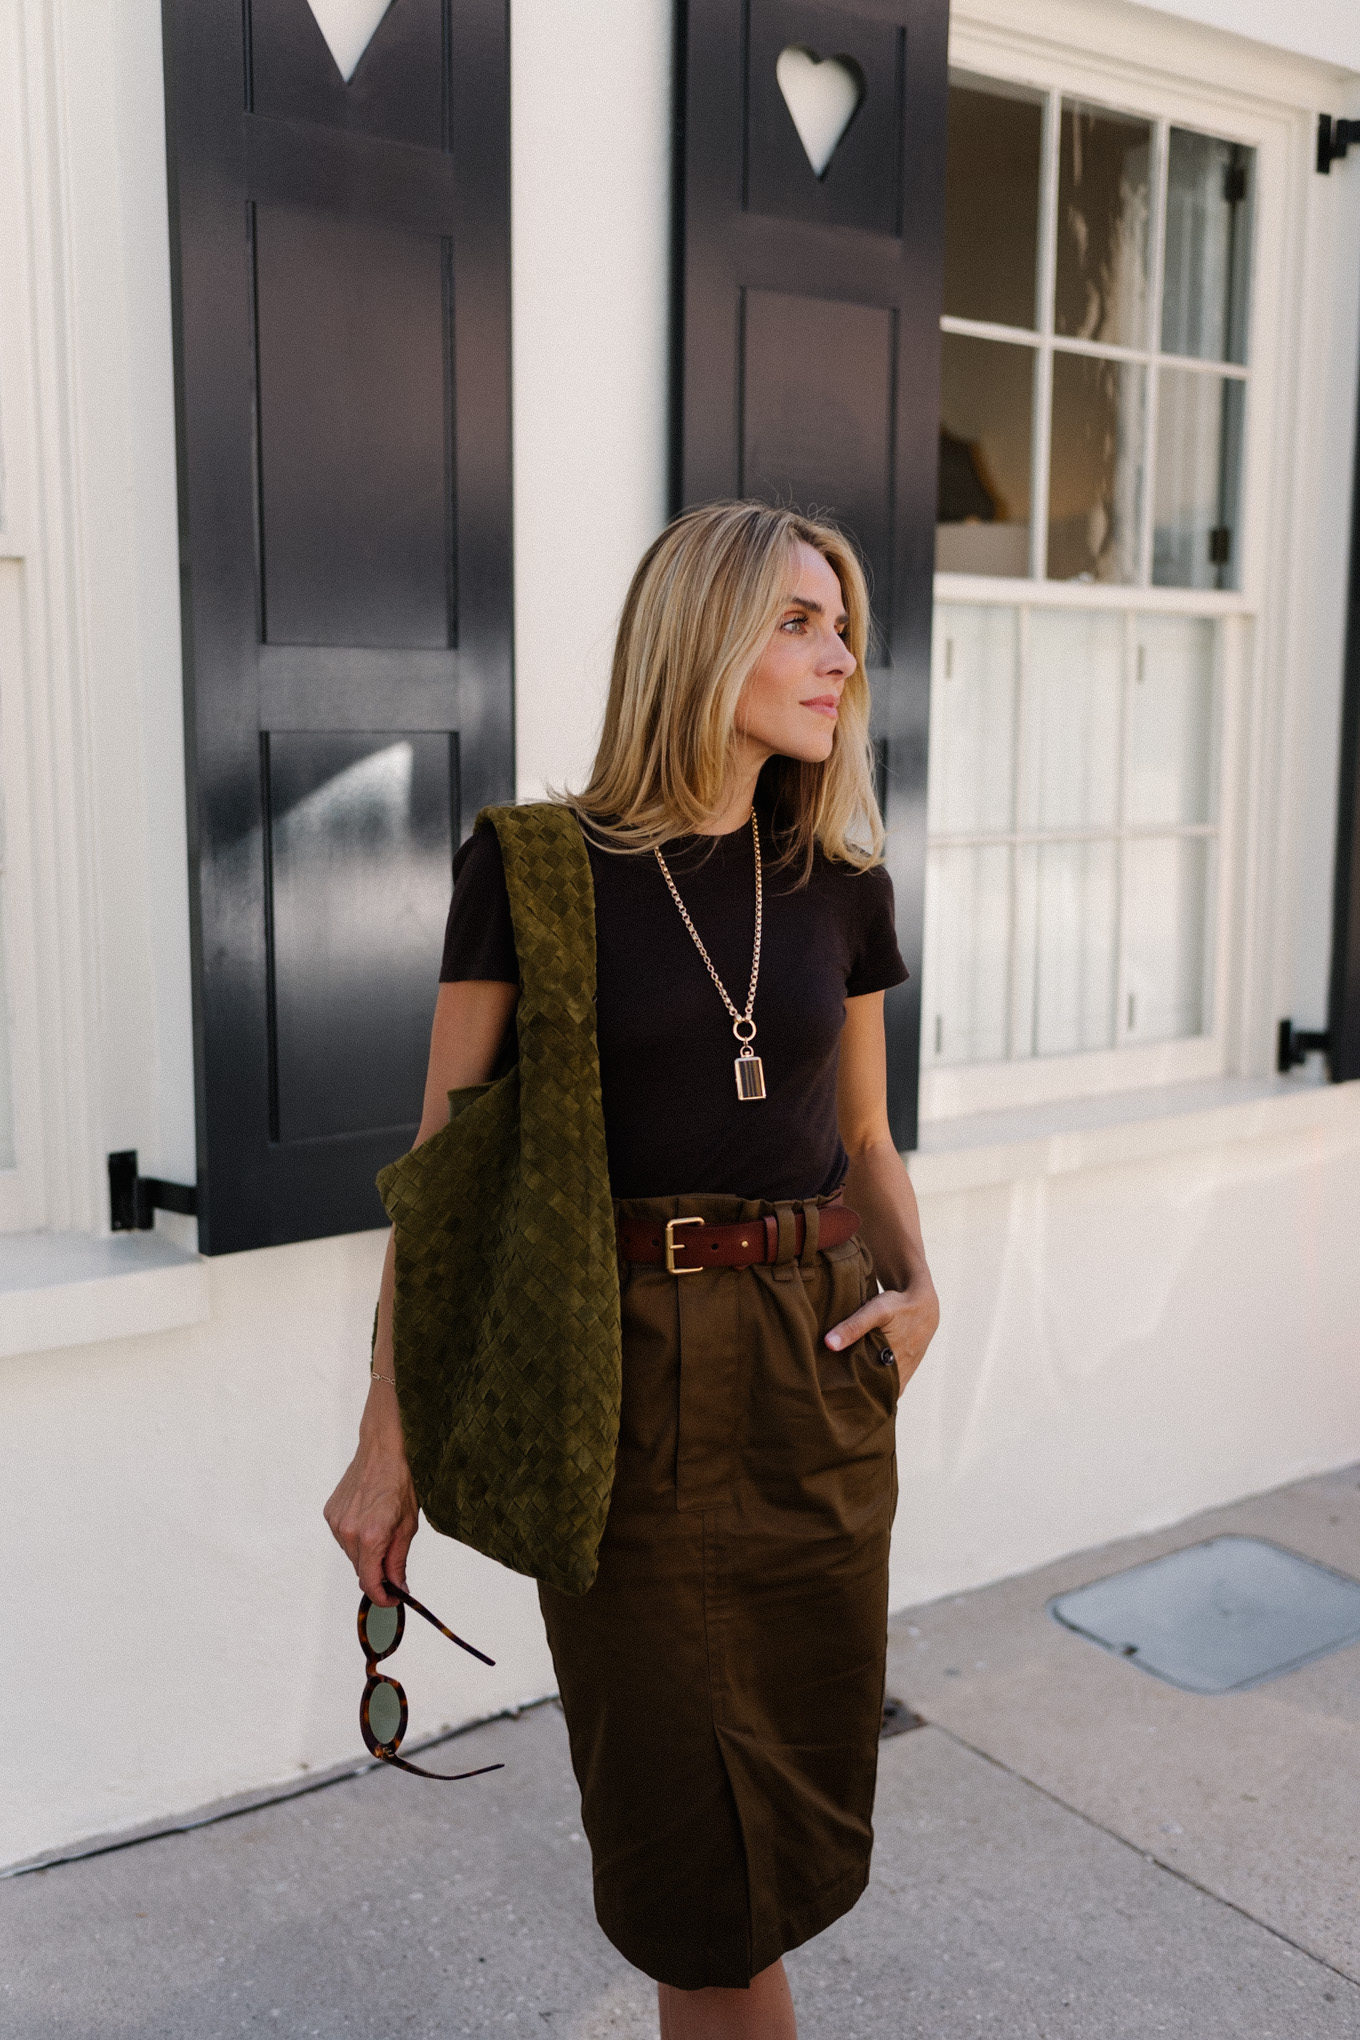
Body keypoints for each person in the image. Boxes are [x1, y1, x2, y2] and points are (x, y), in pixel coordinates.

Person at [325, 501, 940, 2038]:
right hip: (623, 1382)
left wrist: (919, 1289)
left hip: (813, 1367)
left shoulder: (841, 881)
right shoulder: (530, 870)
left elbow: (863, 1133)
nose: (840, 658)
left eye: (842, 625)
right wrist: (385, 1442)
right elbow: (443, 1183)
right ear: (701, 632)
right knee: (692, 1869)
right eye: (799, 621)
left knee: (783, 1827)